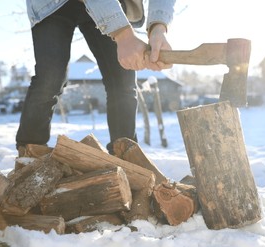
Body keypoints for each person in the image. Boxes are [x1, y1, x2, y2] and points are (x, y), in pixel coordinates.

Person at [16, 0, 176, 155]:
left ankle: (125, 153)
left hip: (110, 3)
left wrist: (158, 27)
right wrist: (123, 34)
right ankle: (30, 152)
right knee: (50, 78)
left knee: (122, 80)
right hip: (51, 5)